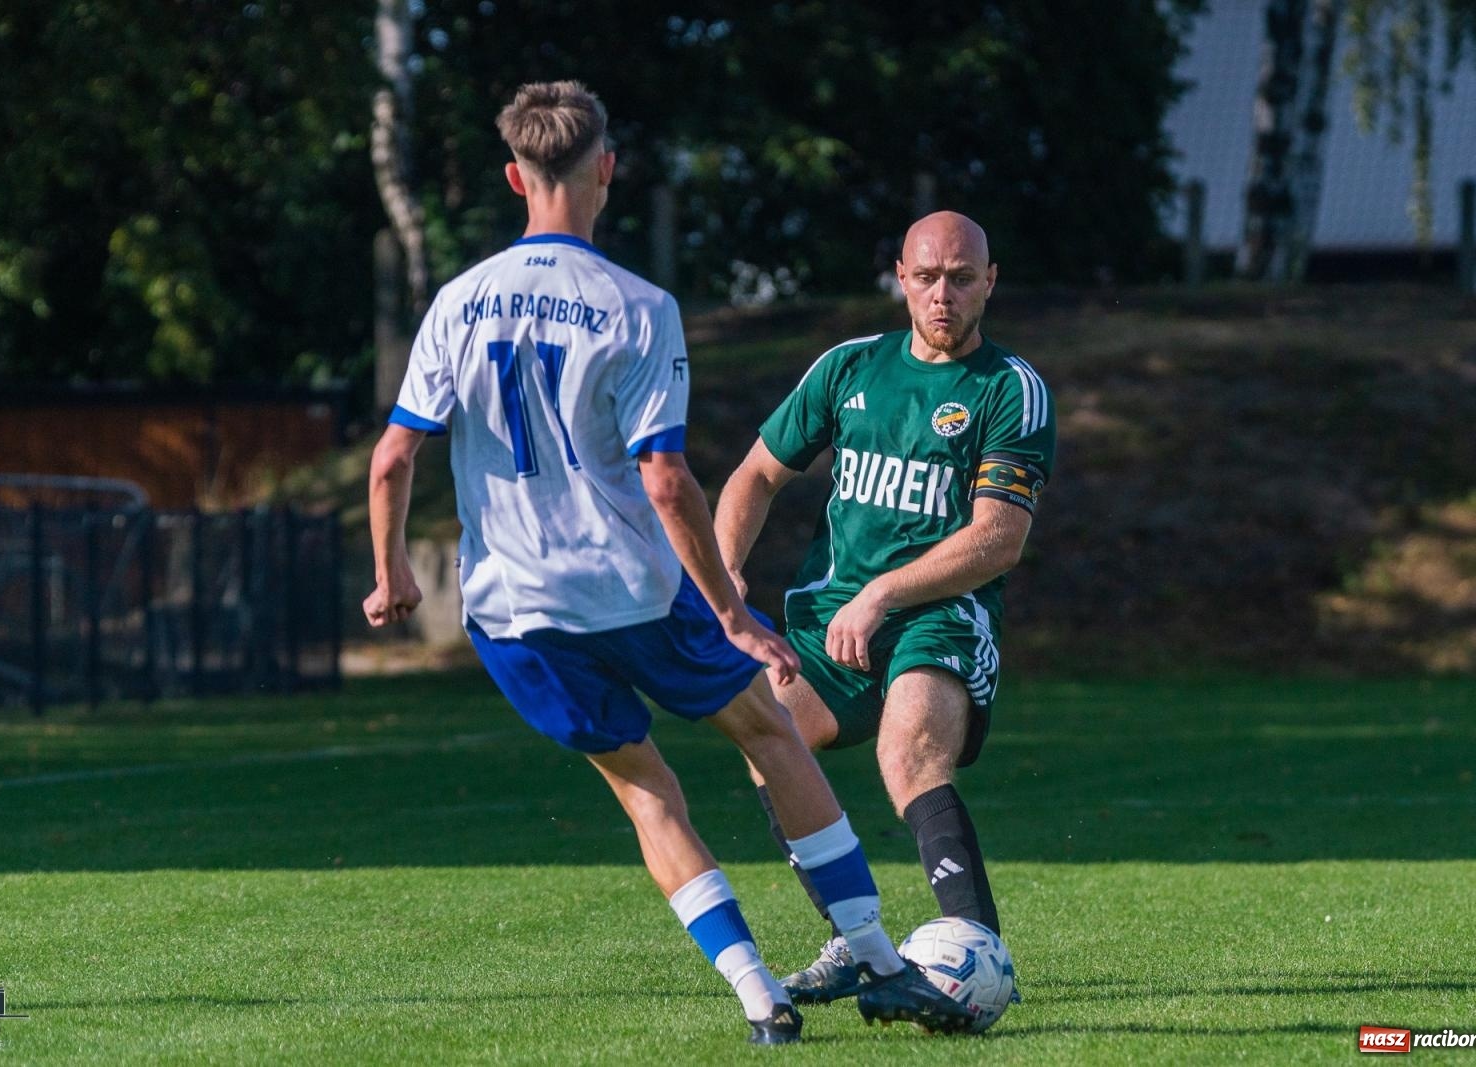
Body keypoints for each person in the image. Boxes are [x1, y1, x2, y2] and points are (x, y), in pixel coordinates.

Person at [362, 82, 972, 1044]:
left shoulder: (457, 302)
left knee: (646, 788)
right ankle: (883, 959)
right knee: (767, 730)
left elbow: (394, 456)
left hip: (513, 612)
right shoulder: (635, 306)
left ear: (517, 176)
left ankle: (759, 998)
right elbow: (665, 478)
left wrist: (394, 574)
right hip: (631, 592)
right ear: (605, 168)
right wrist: (729, 608)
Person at [714, 211, 1054, 1006]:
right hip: (830, 610)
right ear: (901, 277)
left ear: (990, 281)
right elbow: (755, 475)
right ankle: (855, 940)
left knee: (908, 756)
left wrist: (883, 594)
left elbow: (998, 538)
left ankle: (974, 965)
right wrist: (726, 570)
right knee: (767, 733)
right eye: (928, 277)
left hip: (941, 611)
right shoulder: (848, 368)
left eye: (963, 278)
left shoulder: (1010, 389)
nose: (944, 294)